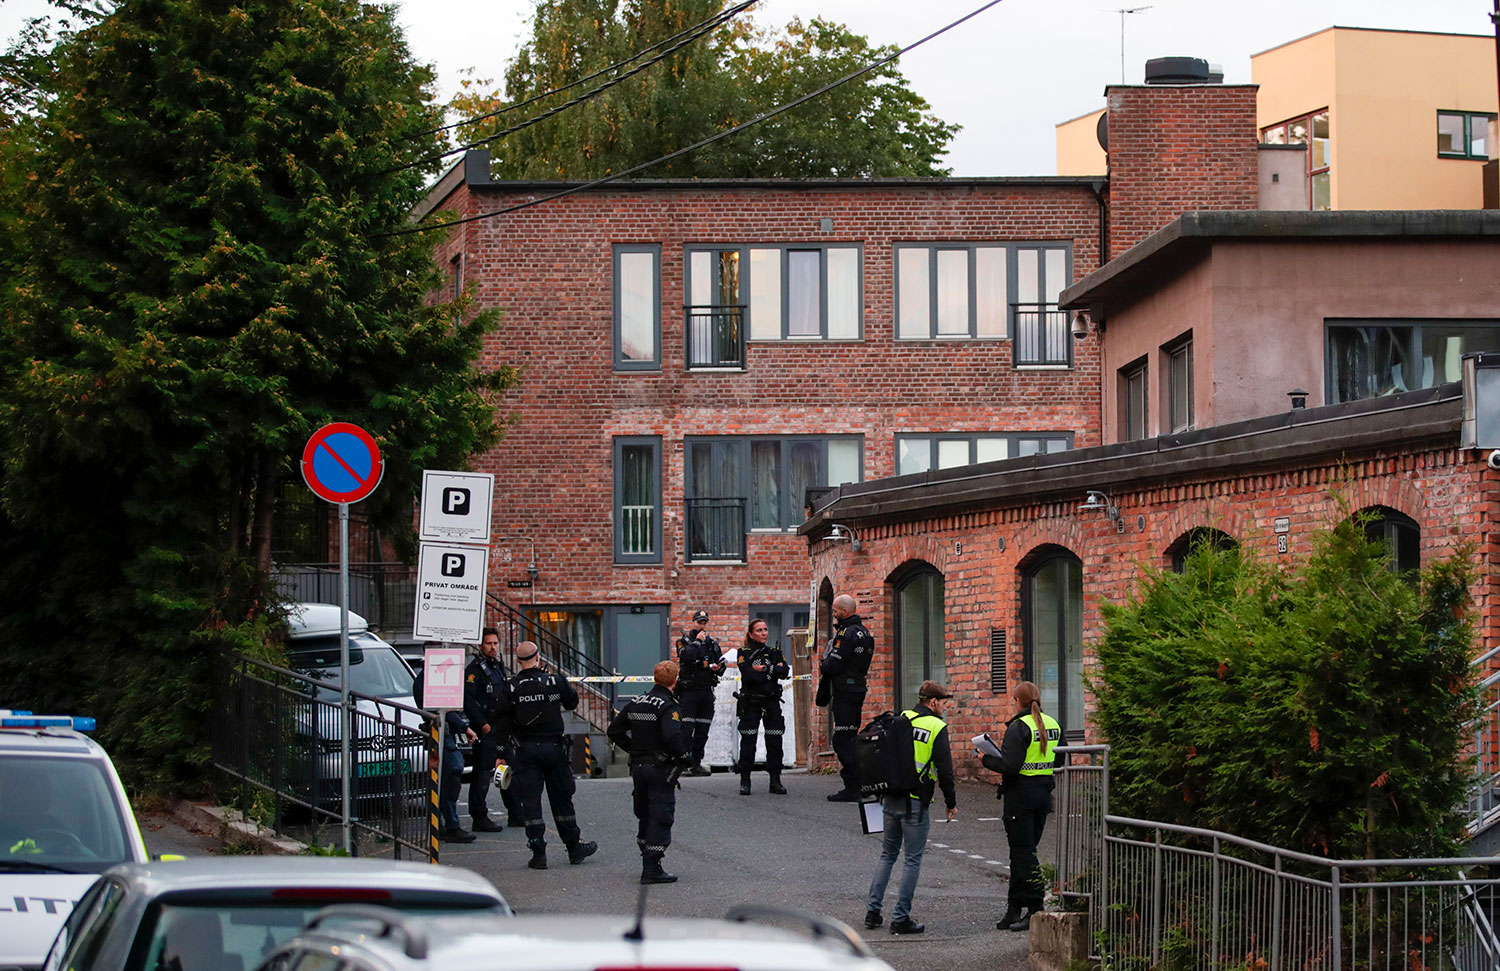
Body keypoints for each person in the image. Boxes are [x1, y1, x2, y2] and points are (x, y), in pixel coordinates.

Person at [865, 680, 958, 936]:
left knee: (887, 855)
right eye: (944, 703)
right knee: (912, 860)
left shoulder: (901, 717)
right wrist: (951, 802)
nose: (945, 707)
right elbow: (945, 771)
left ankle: (872, 912)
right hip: (916, 800)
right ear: (933, 702)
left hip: (891, 795)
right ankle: (900, 918)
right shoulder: (936, 726)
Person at [494, 641, 598, 870]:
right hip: (553, 748)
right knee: (562, 798)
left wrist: (500, 753)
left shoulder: (510, 687)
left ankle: (538, 852)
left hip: (525, 750)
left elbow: (500, 724)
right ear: (539, 658)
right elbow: (572, 703)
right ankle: (573, 847)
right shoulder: (553, 681)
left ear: (519, 661)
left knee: (530, 801)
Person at [982, 680, 1063, 932]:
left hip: (1020, 799)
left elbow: (1010, 766)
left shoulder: (1018, 727)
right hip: (1042, 797)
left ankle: (1035, 909)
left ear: (1018, 701)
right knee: (1021, 853)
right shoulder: (1053, 724)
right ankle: (1013, 910)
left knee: (1024, 855)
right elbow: (1061, 758)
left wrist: (986, 759)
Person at [607, 659, 691, 884]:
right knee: (661, 814)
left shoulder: (637, 701)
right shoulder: (668, 705)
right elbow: (672, 736)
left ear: (655, 678)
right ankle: (652, 867)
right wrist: (685, 756)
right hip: (660, 768)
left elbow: (614, 730)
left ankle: (647, 857)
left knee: (644, 812)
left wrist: (632, 749)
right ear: (675, 680)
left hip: (638, 766)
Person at [463, 627, 523, 831]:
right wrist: (482, 724)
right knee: (483, 774)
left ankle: (515, 813)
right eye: (489, 644)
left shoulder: (497, 666)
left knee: (508, 769)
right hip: (487, 729)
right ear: (481, 646)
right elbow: (468, 700)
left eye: (495, 643)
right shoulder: (474, 670)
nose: (493, 647)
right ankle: (479, 817)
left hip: (502, 728)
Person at [413, 667, 477, 843]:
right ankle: (449, 825)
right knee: (451, 772)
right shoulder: (424, 680)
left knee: (447, 777)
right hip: (437, 733)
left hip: (447, 733)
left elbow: (451, 708)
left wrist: (463, 726)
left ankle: (443, 823)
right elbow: (435, 709)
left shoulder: (442, 676)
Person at [820, 594, 873, 801]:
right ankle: (861, 784)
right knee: (850, 735)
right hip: (858, 687)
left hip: (846, 690)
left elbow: (832, 664)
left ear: (845, 611)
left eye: (835, 611)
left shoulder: (846, 633)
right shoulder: (864, 632)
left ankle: (854, 785)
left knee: (842, 738)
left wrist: (824, 664)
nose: (834, 614)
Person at [735, 618, 789, 796]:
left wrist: (765, 669)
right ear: (751, 633)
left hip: (771, 701)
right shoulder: (743, 652)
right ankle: (745, 779)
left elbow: (784, 672)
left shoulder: (774, 651)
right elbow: (749, 675)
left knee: (775, 741)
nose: (764, 633)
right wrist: (770, 671)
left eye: (765, 629)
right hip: (751, 702)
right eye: (759, 630)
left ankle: (775, 780)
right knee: (748, 741)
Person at [674, 610, 726, 776]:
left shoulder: (712, 644)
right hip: (688, 692)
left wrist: (718, 668)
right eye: (699, 622)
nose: (702, 625)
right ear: (693, 623)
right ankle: (684, 763)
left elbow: (721, 665)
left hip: (706, 691)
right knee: (686, 729)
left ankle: (696, 762)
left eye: (704, 622)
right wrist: (697, 641)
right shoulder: (684, 641)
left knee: (702, 730)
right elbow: (686, 658)